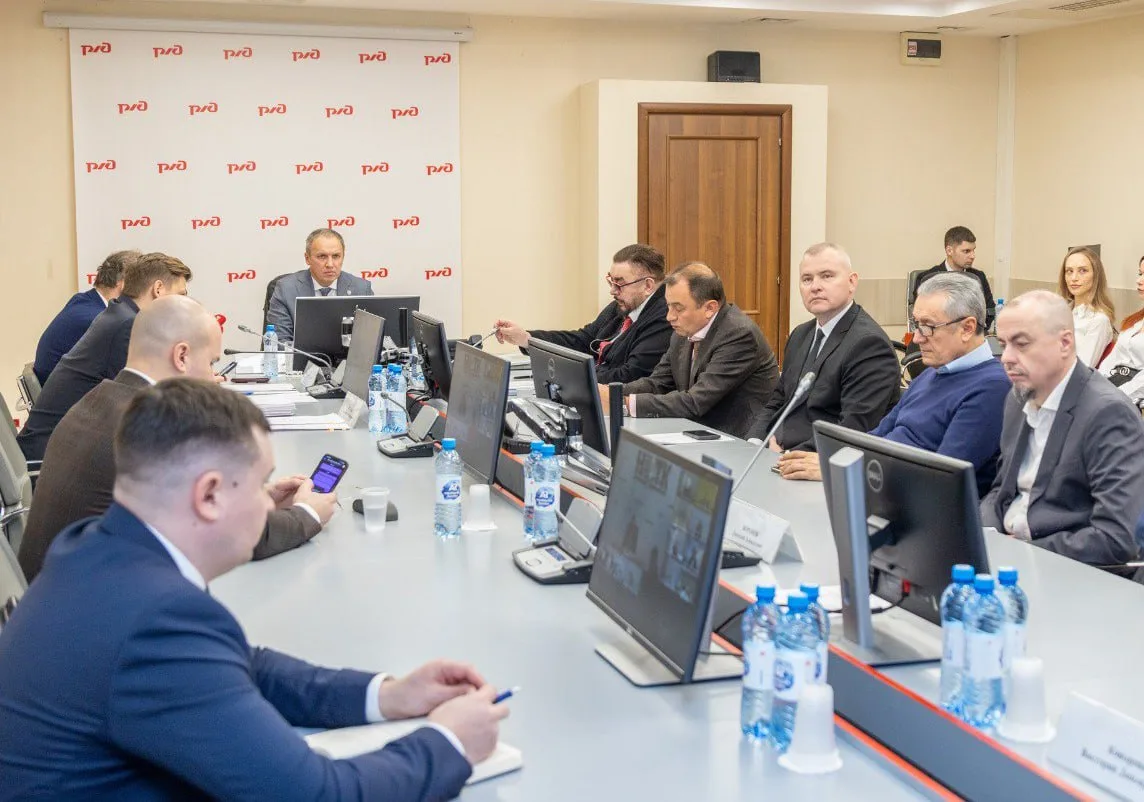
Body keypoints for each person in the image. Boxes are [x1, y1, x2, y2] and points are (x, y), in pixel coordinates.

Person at [0, 379, 506, 799]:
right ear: (209, 494)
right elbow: (317, 795)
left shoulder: (96, 548)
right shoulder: (155, 619)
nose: (269, 504)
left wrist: (389, 695)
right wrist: (450, 742)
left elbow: (242, 665)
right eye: (260, 483)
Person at [17, 296, 336, 582]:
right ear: (182, 356)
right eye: (211, 363)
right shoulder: (158, 426)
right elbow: (231, 534)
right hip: (95, 609)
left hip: (51, 595)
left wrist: (260, 498)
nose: (215, 377)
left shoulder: (101, 398)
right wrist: (307, 514)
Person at [776, 273, 1011, 493]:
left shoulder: (992, 388)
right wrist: (834, 461)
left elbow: (941, 478)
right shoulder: (932, 374)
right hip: (876, 487)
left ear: (967, 328)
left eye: (927, 327)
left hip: (908, 503)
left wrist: (839, 471)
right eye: (916, 324)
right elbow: (877, 437)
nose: (917, 338)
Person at [981, 291, 1144, 567]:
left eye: (1021, 344)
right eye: (1003, 344)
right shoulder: (1018, 397)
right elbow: (1001, 491)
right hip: (1007, 555)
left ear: (1065, 343)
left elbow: (1115, 538)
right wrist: (980, 534)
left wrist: (1020, 552)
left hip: (1067, 568)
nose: (1006, 358)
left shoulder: (1108, 414)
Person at [17, 252, 192, 463]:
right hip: (55, 458)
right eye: (181, 295)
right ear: (158, 289)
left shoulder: (120, 314)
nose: (184, 303)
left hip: (63, 448)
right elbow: (142, 403)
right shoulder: (126, 324)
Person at [746, 243, 900, 449]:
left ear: (852, 282)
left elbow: (853, 430)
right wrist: (754, 443)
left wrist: (787, 456)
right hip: (772, 452)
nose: (815, 287)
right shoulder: (800, 334)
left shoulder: (870, 345)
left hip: (817, 459)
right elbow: (778, 400)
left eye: (826, 276)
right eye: (807, 279)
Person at [602, 263, 778, 439]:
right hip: (696, 430)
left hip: (737, 439)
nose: (669, 316)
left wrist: (623, 403)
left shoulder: (738, 334)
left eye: (678, 308)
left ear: (710, 308)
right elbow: (658, 383)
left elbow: (695, 401)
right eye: (668, 306)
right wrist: (610, 392)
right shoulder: (684, 331)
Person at [493, 244, 673, 383]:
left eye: (619, 283)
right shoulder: (622, 305)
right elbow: (582, 340)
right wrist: (527, 338)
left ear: (647, 286)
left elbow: (630, 374)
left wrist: (566, 375)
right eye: (611, 281)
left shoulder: (665, 316)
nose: (612, 290)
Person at [32, 249, 137, 384]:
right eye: (140, 282)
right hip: (68, 394)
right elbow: (121, 378)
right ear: (122, 283)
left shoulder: (84, 300)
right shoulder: (98, 319)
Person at [266, 228, 373, 342]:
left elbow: (371, 338)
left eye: (336, 256)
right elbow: (279, 342)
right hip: (301, 354)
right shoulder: (286, 289)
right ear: (307, 258)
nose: (330, 264)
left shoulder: (362, 289)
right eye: (322, 256)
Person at [910, 226, 996, 330]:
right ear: (949, 251)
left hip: (971, 333)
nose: (972, 256)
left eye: (973, 250)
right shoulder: (926, 279)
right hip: (938, 335)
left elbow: (990, 310)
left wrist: (975, 331)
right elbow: (922, 316)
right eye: (966, 251)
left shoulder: (978, 277)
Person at [1058, 246, 1116, 367]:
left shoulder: (1098, 320)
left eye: (1083, 271)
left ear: (1096, 276)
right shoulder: (1063, 311)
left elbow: (1081, 369)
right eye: (1069, 271)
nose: (1074, 278)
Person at [1099, 255, 1144, 405]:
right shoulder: (1135, 321)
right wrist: (1098, 384)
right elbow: (1113, 358)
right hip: (1114, 386)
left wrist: (1114, 397)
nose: (1139, 280)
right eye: (1140, 273)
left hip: (1131, 398)